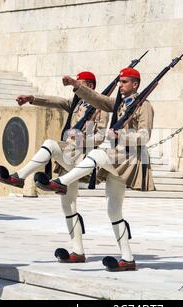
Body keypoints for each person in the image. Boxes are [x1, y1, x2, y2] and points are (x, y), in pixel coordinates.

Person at [45, 67, 155, 271]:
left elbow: (145, 136)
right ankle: (127, 258)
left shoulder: (144, 106)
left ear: (135, 85)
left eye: (124, 82)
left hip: (128, 160)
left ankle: (62, 181)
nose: (120, 85)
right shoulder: (119, 103)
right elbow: (98, 99)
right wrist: (77, 86)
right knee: (113, 210)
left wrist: (120, 136)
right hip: (115, 157)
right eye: (120, 81)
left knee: (96, 154)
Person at [0, 71, 109, 263]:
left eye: (78, 83)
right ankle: (78, 252)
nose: (75, 87)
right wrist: (32, 98)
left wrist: (83, 138)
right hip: (69, 159)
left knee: (50, 144)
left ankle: (20, 177)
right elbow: (55, 101)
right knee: (69, 207)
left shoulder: (100, 106)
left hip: (81, 157)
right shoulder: (76, 103)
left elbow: (101, 136)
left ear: (89, 86)